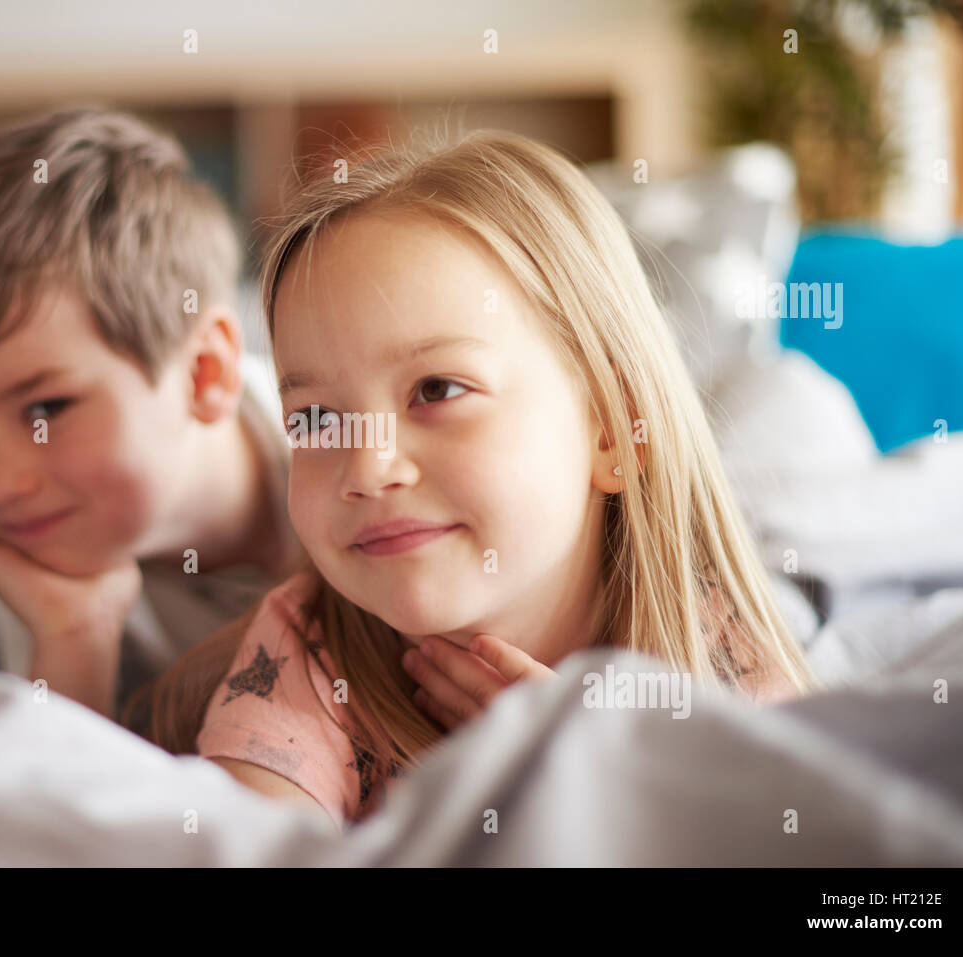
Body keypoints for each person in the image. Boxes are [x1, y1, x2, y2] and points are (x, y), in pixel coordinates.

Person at [128, 128, 825, 833]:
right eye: (316, 420)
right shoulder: (308, 650)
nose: (368, 467)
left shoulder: (715, 651)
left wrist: (592, 775)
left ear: (614, 430)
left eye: (435, 389)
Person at [0, 108, 302, 723]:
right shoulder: (57, 563)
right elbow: (62, 800)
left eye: (47, 408)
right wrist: (74, 637)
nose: (1, 487)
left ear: (205, 373)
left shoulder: (362, 477)